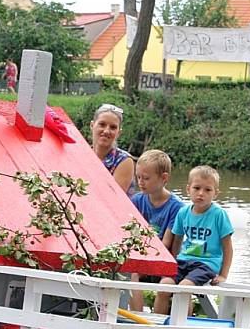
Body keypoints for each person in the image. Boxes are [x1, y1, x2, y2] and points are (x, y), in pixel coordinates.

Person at [153, 165, 234, 315]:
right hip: (184, 260)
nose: (201, 193)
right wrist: (174, 260)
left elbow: (228, 247)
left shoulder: (219, 215)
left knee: (184, 288)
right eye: (196, 188)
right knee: (164, 286)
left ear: (216, 193)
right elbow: (177, 239)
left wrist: (223, 274)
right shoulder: (183, 212)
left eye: (208, 190)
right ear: (188, 189)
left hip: (206, 264)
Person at [128, 149, 185, 311]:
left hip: (166, 260)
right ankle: (136, 319)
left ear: (164, 178)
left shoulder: (177, 207)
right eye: (138, 177)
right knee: (130, 272)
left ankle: (155, 325)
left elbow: (165, 243)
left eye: (146, 178)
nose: (140, 182)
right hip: (144, 256)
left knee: (165, 285)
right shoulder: (137, 200)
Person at [90, 103, 136, 196]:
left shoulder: (124, 160)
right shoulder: (82, 154)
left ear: (119, 132)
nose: (106, 131)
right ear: (92, 125)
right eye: (102, 124)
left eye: (113, 127)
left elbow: (112, 198)